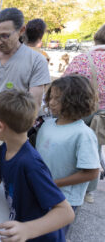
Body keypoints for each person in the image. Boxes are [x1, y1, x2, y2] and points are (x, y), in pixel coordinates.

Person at [0, 89, 74, 241]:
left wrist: (28, 229)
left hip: (40, 237)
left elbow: (66, 212)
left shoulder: (31, 164)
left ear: (0, 126)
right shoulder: (5, 147)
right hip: (19, 230)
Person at [36, 75, 100, 236]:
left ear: (75, 101)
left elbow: (92, 172)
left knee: (53, 235)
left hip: (64, 199)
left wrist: (54, 183)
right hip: (41, 190)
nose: (51, 102)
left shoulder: (83, 134)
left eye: (58, 99)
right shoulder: (48, 124)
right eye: (51, 96)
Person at [63, 24, 105, 204]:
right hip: (102, 114)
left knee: (72, 145)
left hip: (78, 109)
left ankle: (67, 181)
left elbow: (65, 82)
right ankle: (88, 190)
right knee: (94, 149)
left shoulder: (81, 59)